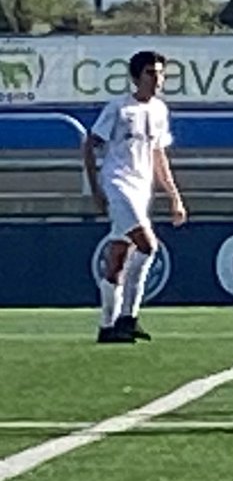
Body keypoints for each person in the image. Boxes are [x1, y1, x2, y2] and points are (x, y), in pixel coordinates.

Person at [82, 50, 187, 343]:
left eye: (161, 73)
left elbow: (158, 155)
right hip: (118, 184)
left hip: (142, 189)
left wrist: (174, 196)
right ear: (136, 77)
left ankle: (106, 326)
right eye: (151, 73)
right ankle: (128, 317)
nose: (158, 79)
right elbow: (90, 145)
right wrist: (96, 189)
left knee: (119, 257)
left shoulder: (159, 111)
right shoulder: (118, 109)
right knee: (148, 245)